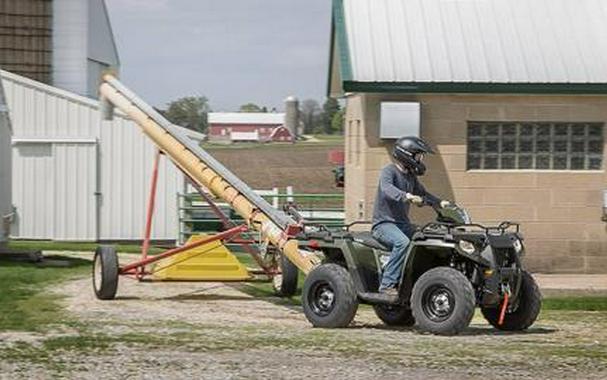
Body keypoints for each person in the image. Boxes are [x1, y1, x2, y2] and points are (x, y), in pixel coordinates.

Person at [372, 136, 450, 296]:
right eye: (419, 155)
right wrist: (406, 196)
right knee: (402, 242)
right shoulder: (389, 171)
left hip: (402, 224)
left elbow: (423, 194)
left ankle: (416, 281)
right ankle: (387, 285)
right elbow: (387, 189)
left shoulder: (410, 177)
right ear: (407, 154)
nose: (421, 159)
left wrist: (440, 203)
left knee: (426, 236)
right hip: (383, 225)